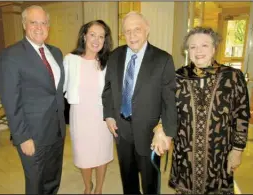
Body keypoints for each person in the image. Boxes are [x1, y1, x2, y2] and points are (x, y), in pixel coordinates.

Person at [167, 26, 250, 194]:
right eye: (193, 46)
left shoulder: (232, 76)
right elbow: (167, 111)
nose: (198, 51)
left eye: (204, 45)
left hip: (219, 156)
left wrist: (237, 150)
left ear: (214, 48)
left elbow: (241, 115)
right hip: (185, 156)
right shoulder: (177, 77)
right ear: (187, 51)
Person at [102, 11, 177, 194]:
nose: (132, 35)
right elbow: (108, 89)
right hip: (122, 129)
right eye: (127, 31)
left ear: (147, 30)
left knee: (150, 182)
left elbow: (170, 100)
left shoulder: (163, 59)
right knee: (128, 180)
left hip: (149, 133)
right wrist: (109, 116)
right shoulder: (115, 56)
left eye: (137, 29)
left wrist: (167, 132)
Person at [0, 5, 66, 194]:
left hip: (57, 131)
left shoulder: (56, 53)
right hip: (32, 135)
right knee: (36, 183)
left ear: (48, 26)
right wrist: (23, 137)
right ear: (24, 25)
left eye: (43, 23)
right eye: (33, 22)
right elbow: (11, 101)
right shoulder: (11, 56)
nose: (39, 27)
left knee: (53, 179)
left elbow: (56, 91)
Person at [63, 20, 113, 194]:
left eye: (101, 36)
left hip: (102, 117)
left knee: (101, 154)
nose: (96, 40)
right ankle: (87, 186)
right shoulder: (70, 60)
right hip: (80, 116)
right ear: (84, 36)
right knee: (83, 155)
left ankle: (98, 188)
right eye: (92, 34)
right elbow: (59, 86)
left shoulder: (108, 62)